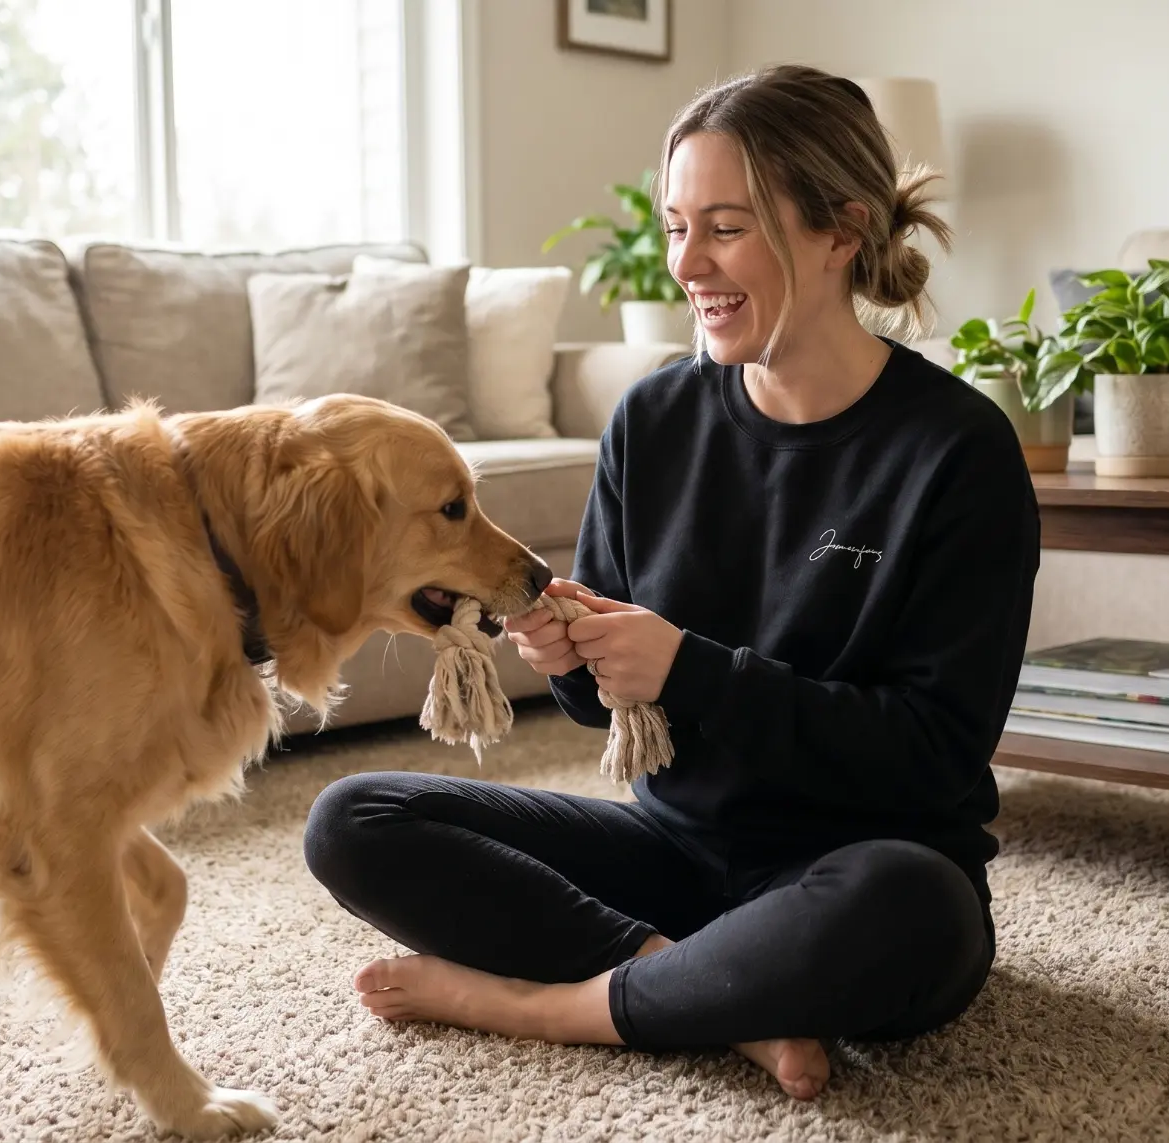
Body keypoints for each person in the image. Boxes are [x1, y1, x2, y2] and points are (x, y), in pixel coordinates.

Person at [301, 63, 1041, 1101]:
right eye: (676, 227)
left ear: (841, 230)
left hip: (855, 861)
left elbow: (931, 756)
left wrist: (692, 671)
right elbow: (599, 703)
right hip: (675, 854)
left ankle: (543, 1005)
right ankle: (693, 987)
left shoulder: (957, 452)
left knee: (915, 904)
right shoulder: (652, 419)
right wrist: (572, 656)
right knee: (353, 818)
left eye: (726, 228)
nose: (687, 263)